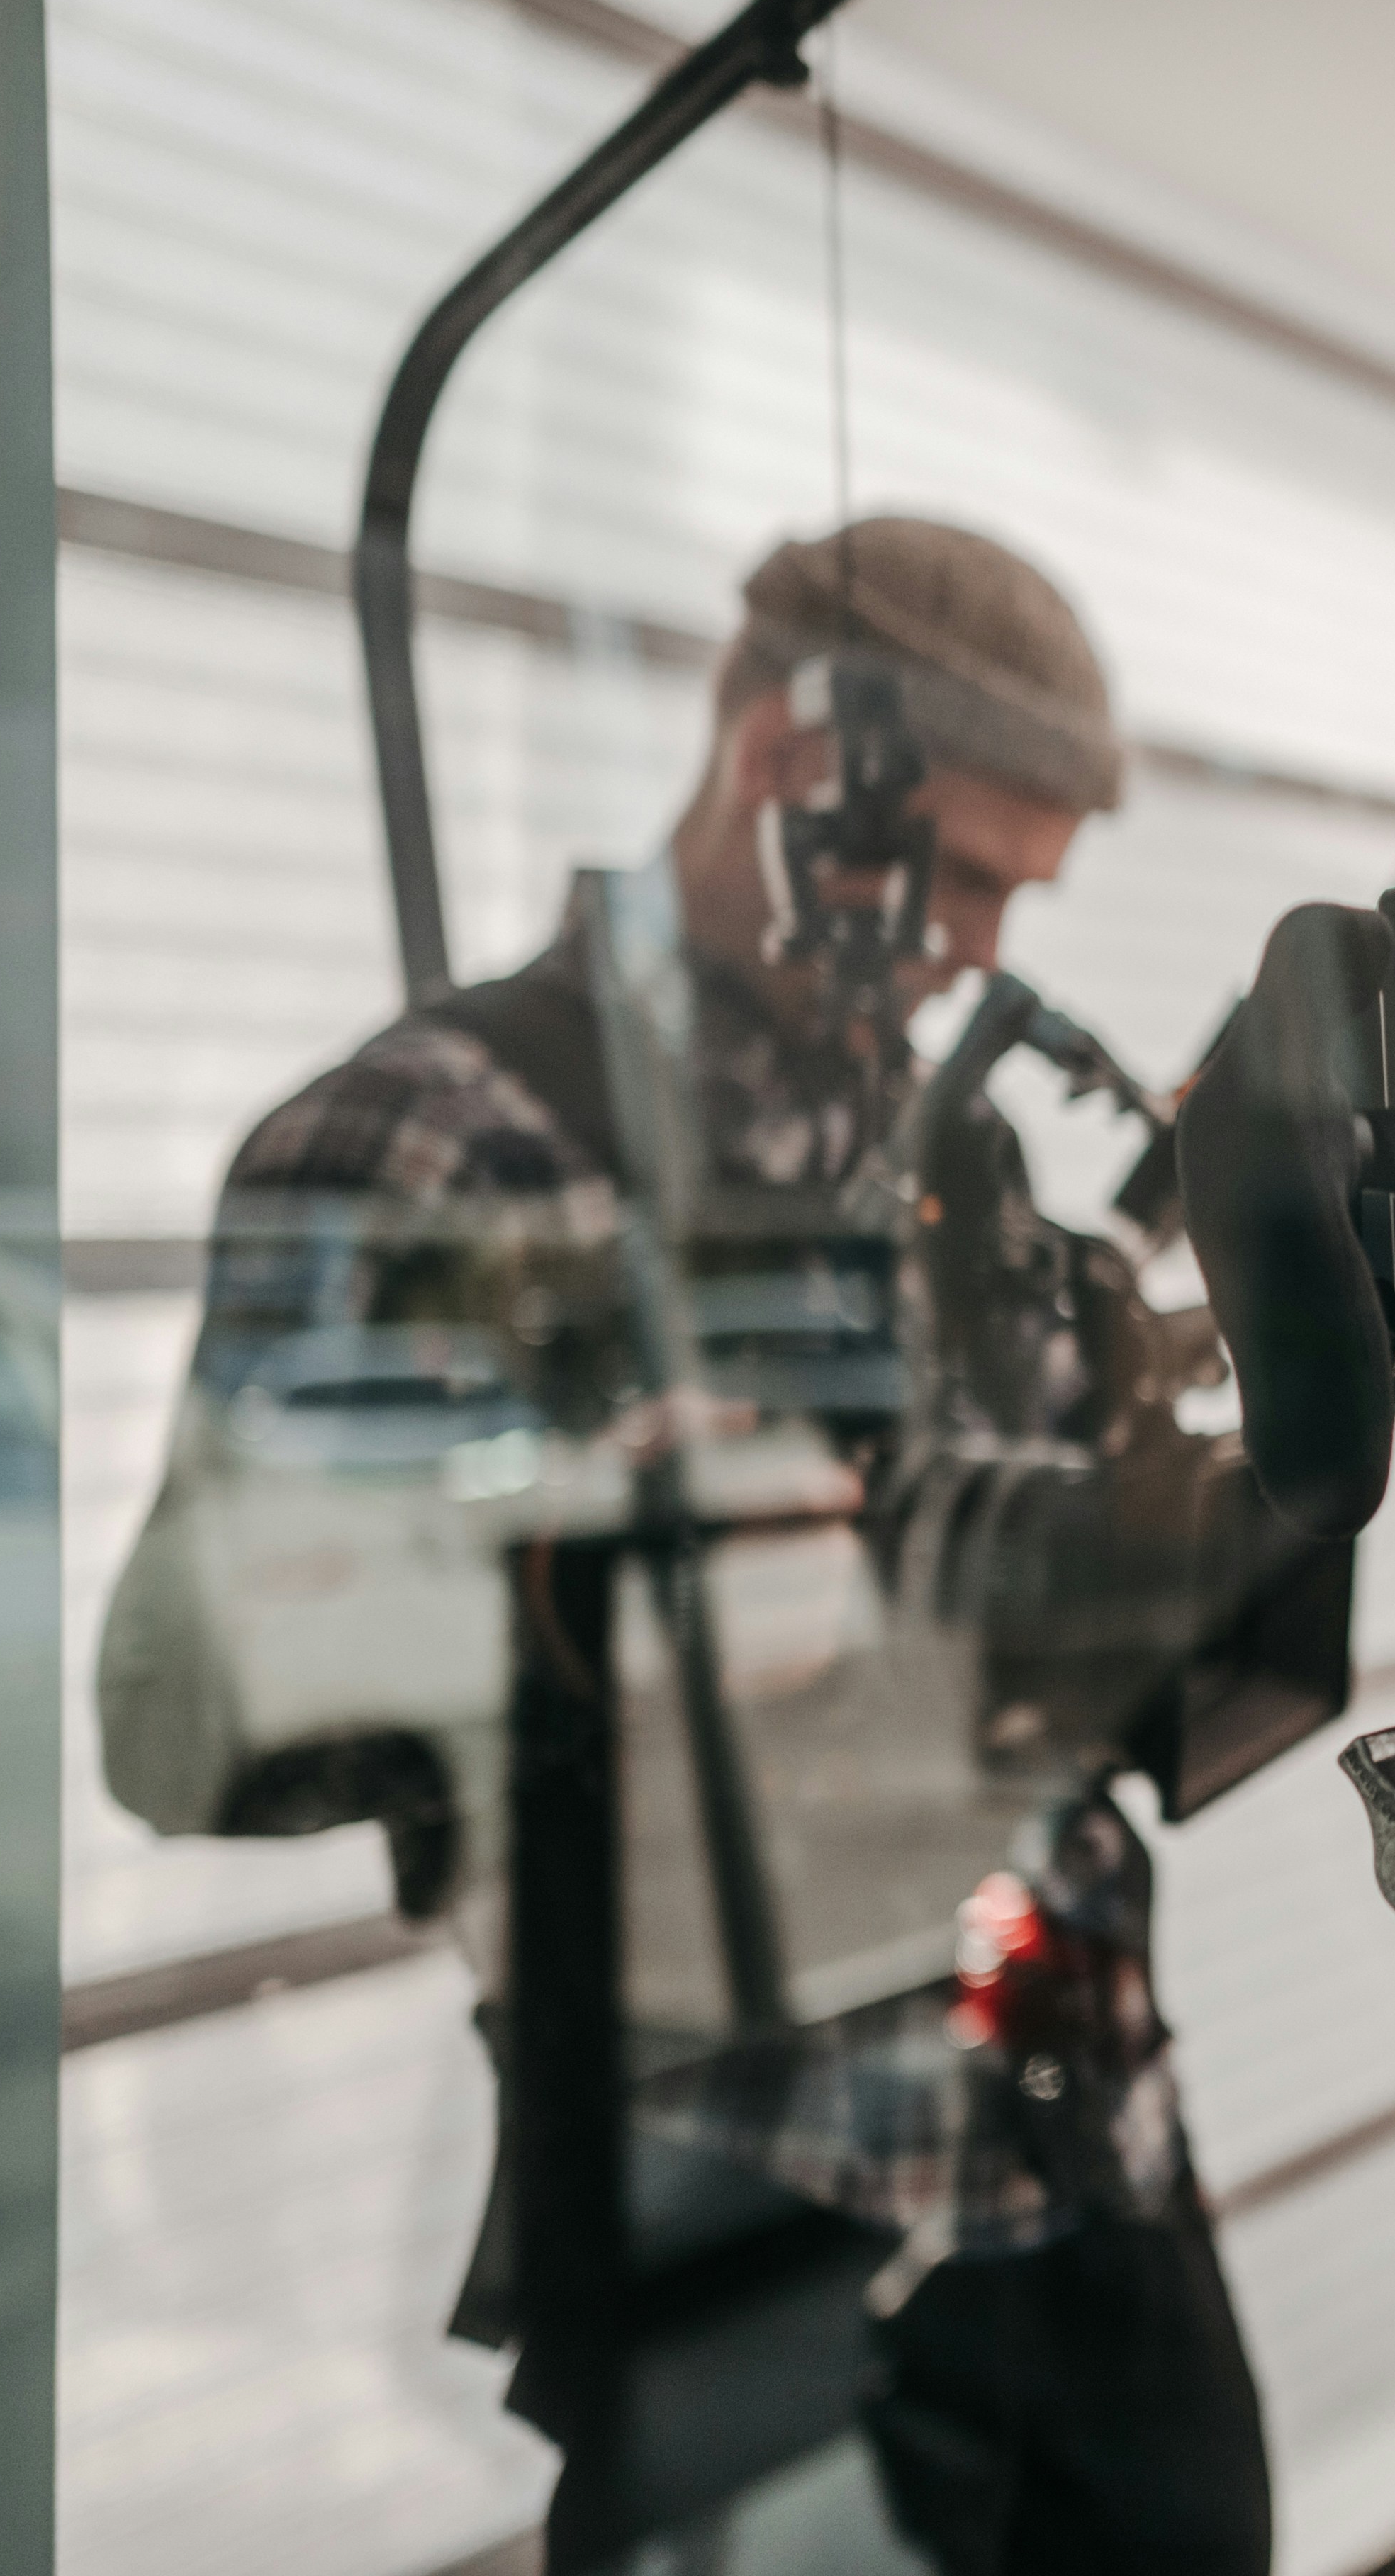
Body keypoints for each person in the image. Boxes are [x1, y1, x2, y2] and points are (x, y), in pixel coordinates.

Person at [96, 517, 1272, 2576]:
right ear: (788, 760)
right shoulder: (443, 1141)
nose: (981, 948)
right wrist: (562, 1581)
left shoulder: (961, 1146)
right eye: (964, 876)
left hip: (1089, 2163)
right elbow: (183, 1721)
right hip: (740, 2232)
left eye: (1020, 895)